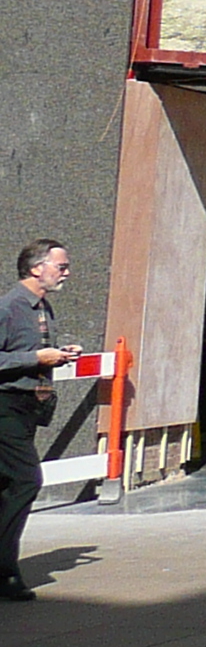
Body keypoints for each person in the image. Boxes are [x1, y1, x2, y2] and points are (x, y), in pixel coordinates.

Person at [0, 241, 75, 601]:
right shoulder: (10, 307)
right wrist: (36, 356)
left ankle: (5, 569)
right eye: (60, 266)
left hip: (29, 407)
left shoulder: (43, 308)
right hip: (5, 405)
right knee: (27, 480)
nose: (66, 273)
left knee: (7, 486)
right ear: (36, 268)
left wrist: (58, 355)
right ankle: (4, 569)